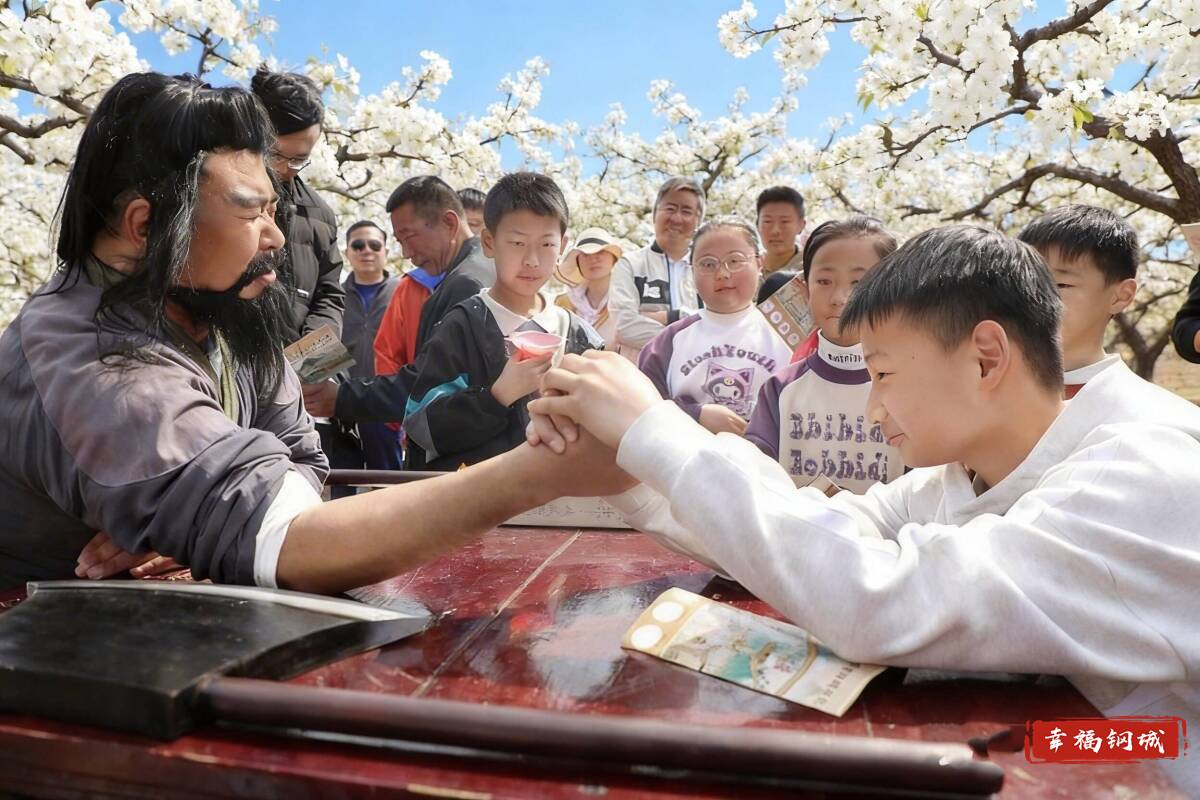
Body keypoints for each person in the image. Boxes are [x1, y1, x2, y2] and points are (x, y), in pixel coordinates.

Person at [525, 225, 1200, 795]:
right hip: (1099, 739)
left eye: (883, 375)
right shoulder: (955, 480)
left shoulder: (1145, 467)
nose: (873, 411)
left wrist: (653, 429)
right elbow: (814, 531)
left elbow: (882, 598)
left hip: (1165, 753)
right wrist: (629, 477)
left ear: (985, 358)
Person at [0, 71, 628, 601]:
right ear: (146, 225)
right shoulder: (91, 354)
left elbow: (306, 459)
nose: (274, 237)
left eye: (274, 210)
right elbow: (289, 541)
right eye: (250, 213)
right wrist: (539, 472)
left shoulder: (228, 313)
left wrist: (211, 520)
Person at [403, 173, 604, 471]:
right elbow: (422, 426)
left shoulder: (579, 335)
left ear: (562, 245)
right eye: (517, 243)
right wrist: (497, 396)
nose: (532, 260)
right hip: (481, 495)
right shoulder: (463, 326)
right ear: (489, 242)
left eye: (546, 244)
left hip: (562, 492)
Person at [303, 176, 495, 424]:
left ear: (449, 223)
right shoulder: (465, 273)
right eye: (358, 246)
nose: (406, 253)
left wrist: (343, 398)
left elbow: (432, 381)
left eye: (409, 236)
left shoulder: (464, 283)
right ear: (346, 252)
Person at [744, 217, 905, 493]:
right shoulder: (779, 389)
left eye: (859, 282)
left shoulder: (912, 388)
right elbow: (755, 483)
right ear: (805, 289)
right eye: (824, 281)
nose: (840, 297)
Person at [637, 218, 791, 436]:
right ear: (691, 271)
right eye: (708, 264)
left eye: (735, 260)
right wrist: (695, 414)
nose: (722, 274)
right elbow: (640, 409)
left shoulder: (789, 336)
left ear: (759, 263)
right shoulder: (667, 343)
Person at [250, 67, 344, 341]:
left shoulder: (320, 214)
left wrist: (314, 359)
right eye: (275, 154)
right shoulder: (220, 200)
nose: (285, 168)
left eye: (299, 160)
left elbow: (329, 296)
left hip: (300, 361)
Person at [1017, 205, 1138, 397]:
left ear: (1121, 296)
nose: (1033, 296)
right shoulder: (983, 391)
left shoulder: (1142, 407)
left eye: (1060, 285)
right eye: (1025, 282)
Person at [609, 177, 703, 362]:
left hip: (697, 374)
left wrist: (664, 318)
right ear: (654, 214)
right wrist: (685, 324)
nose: (676, 218)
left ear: (698, 221)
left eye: (686, 211)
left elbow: (722, 323)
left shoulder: (710, 268)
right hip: (641, 374)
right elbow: (625, 326)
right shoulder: (630, 264)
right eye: (670, 208)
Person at [339, 220, 402, 471]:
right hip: (341, 404)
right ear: (347, 252)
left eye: (375, 245)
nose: (366, 251)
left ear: (386, 251)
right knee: (341, 482)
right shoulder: (332, 296)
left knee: (388, 483)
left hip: (387, 404)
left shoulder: (403, 293)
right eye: (358, 245)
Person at [553, 227, 623, 346]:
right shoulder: (561, 304)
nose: (593, 259)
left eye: (600, 252)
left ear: (614, 258)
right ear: (578, 263)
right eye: (585, 254)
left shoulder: (628, 301)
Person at [755, 185, 807, 304]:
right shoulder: (746, 267)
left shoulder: (811, 270)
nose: (775, 230)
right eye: (767, 221)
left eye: (785, 221)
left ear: (801, 225)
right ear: (757, 224)